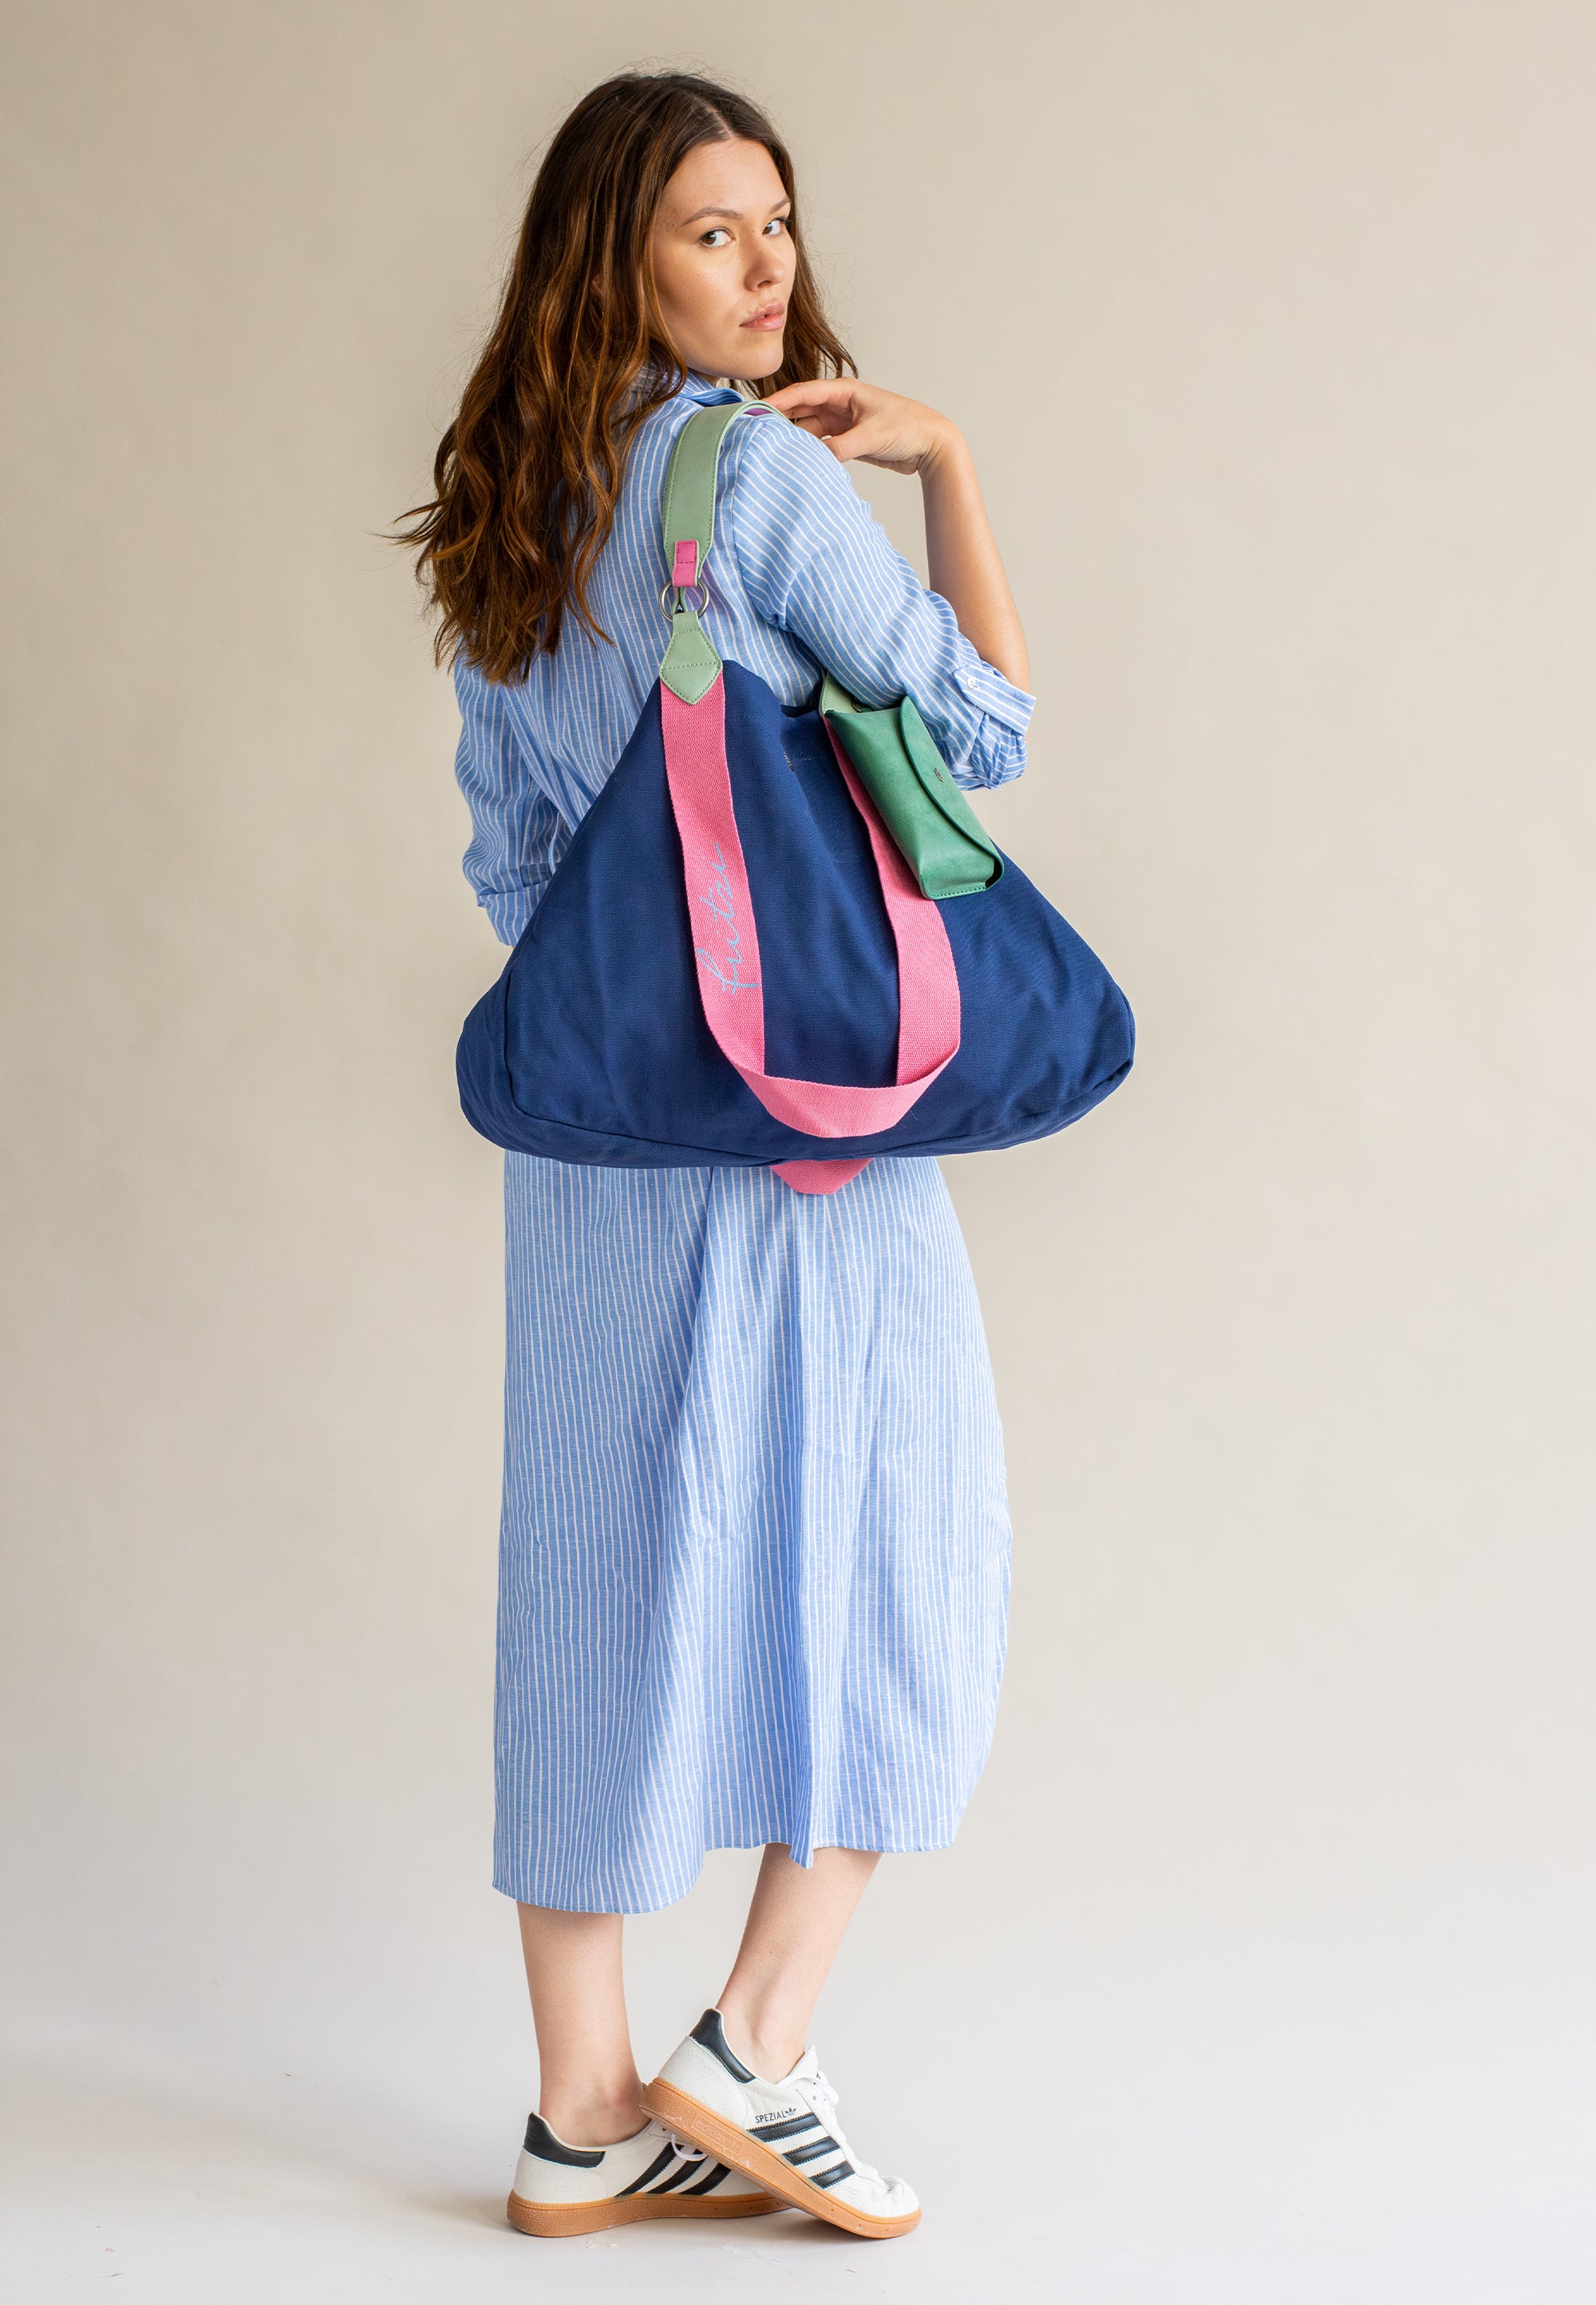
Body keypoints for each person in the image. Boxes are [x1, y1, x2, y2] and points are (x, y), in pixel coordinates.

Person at [402, 69, 1033, 2243]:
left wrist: (639, 998)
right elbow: (981, 732)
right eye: (712, 231)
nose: (765, 269)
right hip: (798, 1127)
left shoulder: (516, 494)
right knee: (898, 1538)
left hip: (599, 1131)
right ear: (623, 258)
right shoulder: (752, 477)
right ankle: (759, 2040)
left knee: (592, 1571)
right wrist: (948, 461)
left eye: (776, 223)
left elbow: (512, 862)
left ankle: (582, 2111)